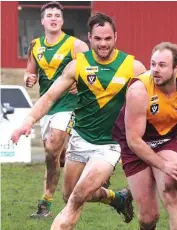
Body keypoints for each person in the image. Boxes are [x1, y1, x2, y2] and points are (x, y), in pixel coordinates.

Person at [11, 12, 146, 229]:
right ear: (90, 38)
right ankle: (118, 198)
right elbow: (49, 97)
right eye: (98, 39)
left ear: (115, 37)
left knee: (77, 198)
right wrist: (28, 121)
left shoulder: (133, 67)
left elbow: (152, 100)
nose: (103, 44)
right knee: (69, 195)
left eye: (108, 39)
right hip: (80, 139)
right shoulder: (77, 65)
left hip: (110, 145)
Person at [113, 42, 177, 230]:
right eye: (153, 64)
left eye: (162, 65)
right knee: (149, 217)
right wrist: (165, 165)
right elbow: (134, 140)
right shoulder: (138, 91)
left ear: (176, 68)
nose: (155, 70)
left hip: (166, 141)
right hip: (135, 147)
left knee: (171, 192)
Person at [24, 1, 89, 218]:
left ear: (62, 20)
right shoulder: (35, 45)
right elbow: (29, 73)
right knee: (54, 157)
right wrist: (29, 79)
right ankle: (46, 204)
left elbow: (91, 73)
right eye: (49, 15)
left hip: (69, 105)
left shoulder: (76, 45)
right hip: (47, 106)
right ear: (42, 20)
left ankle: (61, 197)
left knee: (53, 147)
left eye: (57, 15)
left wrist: (79, 84)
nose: (53, 18)